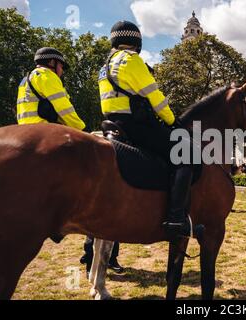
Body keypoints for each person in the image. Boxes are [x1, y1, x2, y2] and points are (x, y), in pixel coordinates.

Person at [98, 21, 204, 239]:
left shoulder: (105, 66)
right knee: (187, 154)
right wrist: (172, 120)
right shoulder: (132, 61)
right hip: (135, 124)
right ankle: (176, 219)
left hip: (112, 123)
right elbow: (156, 98)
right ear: (136, 42)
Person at [16, 47, 86, 130]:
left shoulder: (27, 78)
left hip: (23, 128)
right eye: (61, 66)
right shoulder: (47, 75)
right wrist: (81, 128)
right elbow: (64, 109)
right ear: (52, 62)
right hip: (42, 128)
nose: (62, 71)